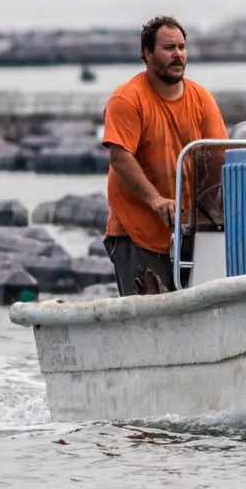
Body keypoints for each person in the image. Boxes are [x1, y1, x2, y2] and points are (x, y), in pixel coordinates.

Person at [100, 15, 229, 296]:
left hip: (189, 227)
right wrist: (156, 200)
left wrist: (209, 212)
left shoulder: (201, 98)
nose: (178, 55)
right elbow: (120, 157)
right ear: (147, 54)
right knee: (148, 315)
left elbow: (217, 156)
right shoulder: (127, 99)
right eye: (169, 48)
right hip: (136, 229)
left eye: (182, 47)